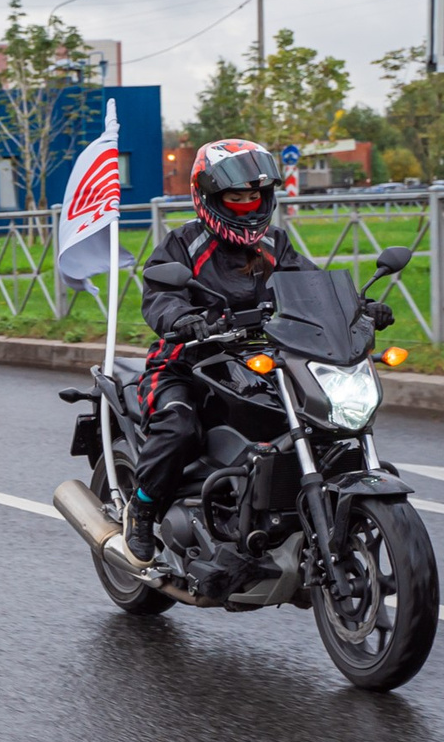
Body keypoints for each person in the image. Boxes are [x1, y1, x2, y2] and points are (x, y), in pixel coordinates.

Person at [119, 138, 391, 566]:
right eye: (235, 196)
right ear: (210, 197)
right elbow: (159, 296)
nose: (247, 204)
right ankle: (142, 509)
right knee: (179, 426)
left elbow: (314, 288)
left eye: (254, 196)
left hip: (259, 362)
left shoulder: (276, 245)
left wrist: (358, 308)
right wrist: (182, 318)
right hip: (188, 363)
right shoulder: (182, 245)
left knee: (315, 417)